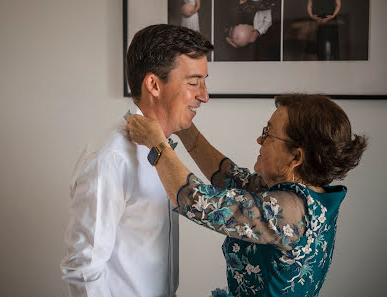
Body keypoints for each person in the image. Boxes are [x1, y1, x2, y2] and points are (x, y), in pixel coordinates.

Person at [126, 94, 367, 296]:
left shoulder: (289, 212)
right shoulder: (304, 195)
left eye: (268, 133)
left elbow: (197, 201)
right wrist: (183, 127)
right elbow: (229, 176)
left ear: (295, 158)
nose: (259, 139)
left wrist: (156, 144)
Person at [60, 24, 213, 297]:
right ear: (153, 85)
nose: (204, 95)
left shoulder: (164, 148)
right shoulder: (111, 158)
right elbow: (83, 268)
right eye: (193, 83)